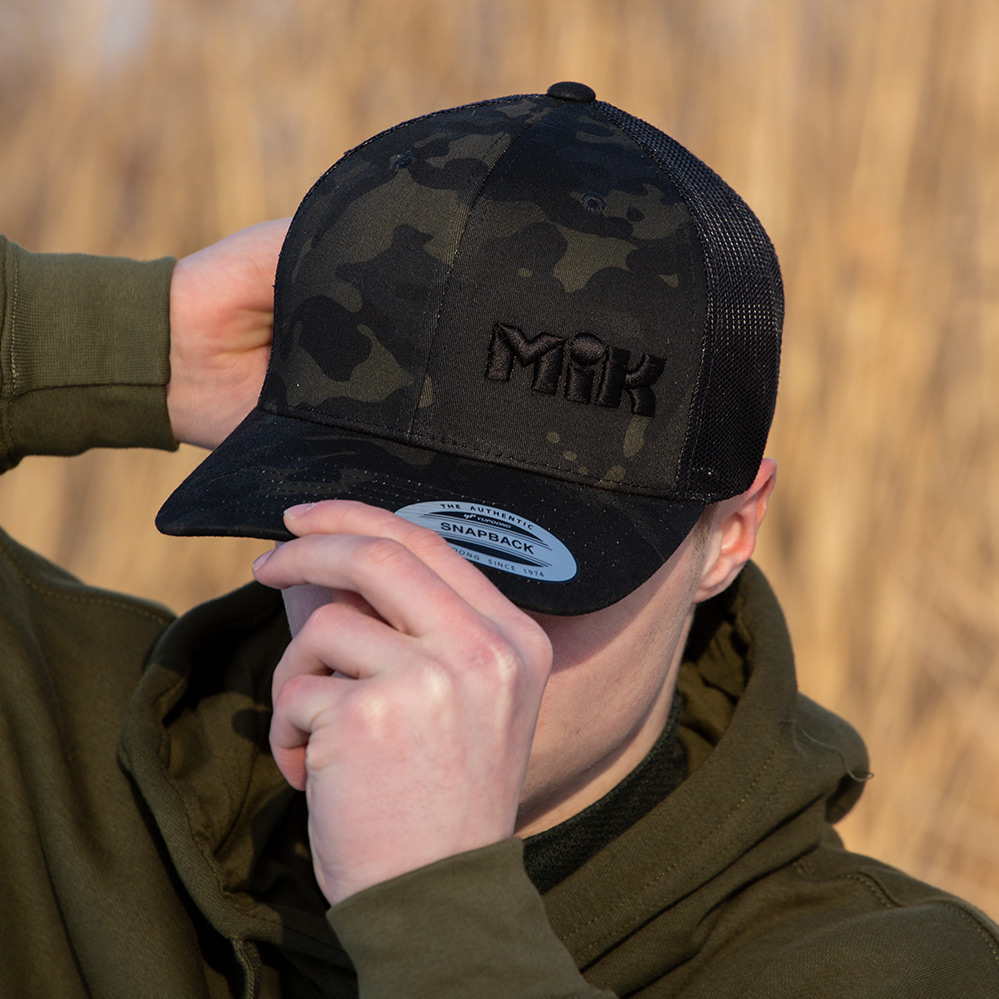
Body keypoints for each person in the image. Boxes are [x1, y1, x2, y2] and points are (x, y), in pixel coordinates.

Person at [2, 83, 996, 999]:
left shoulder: (888, 971)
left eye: (526, 558)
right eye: (365, 513)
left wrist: (440, 914)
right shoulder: (68, 771)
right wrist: (137, 340)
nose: (424, 605)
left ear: (728, 533)